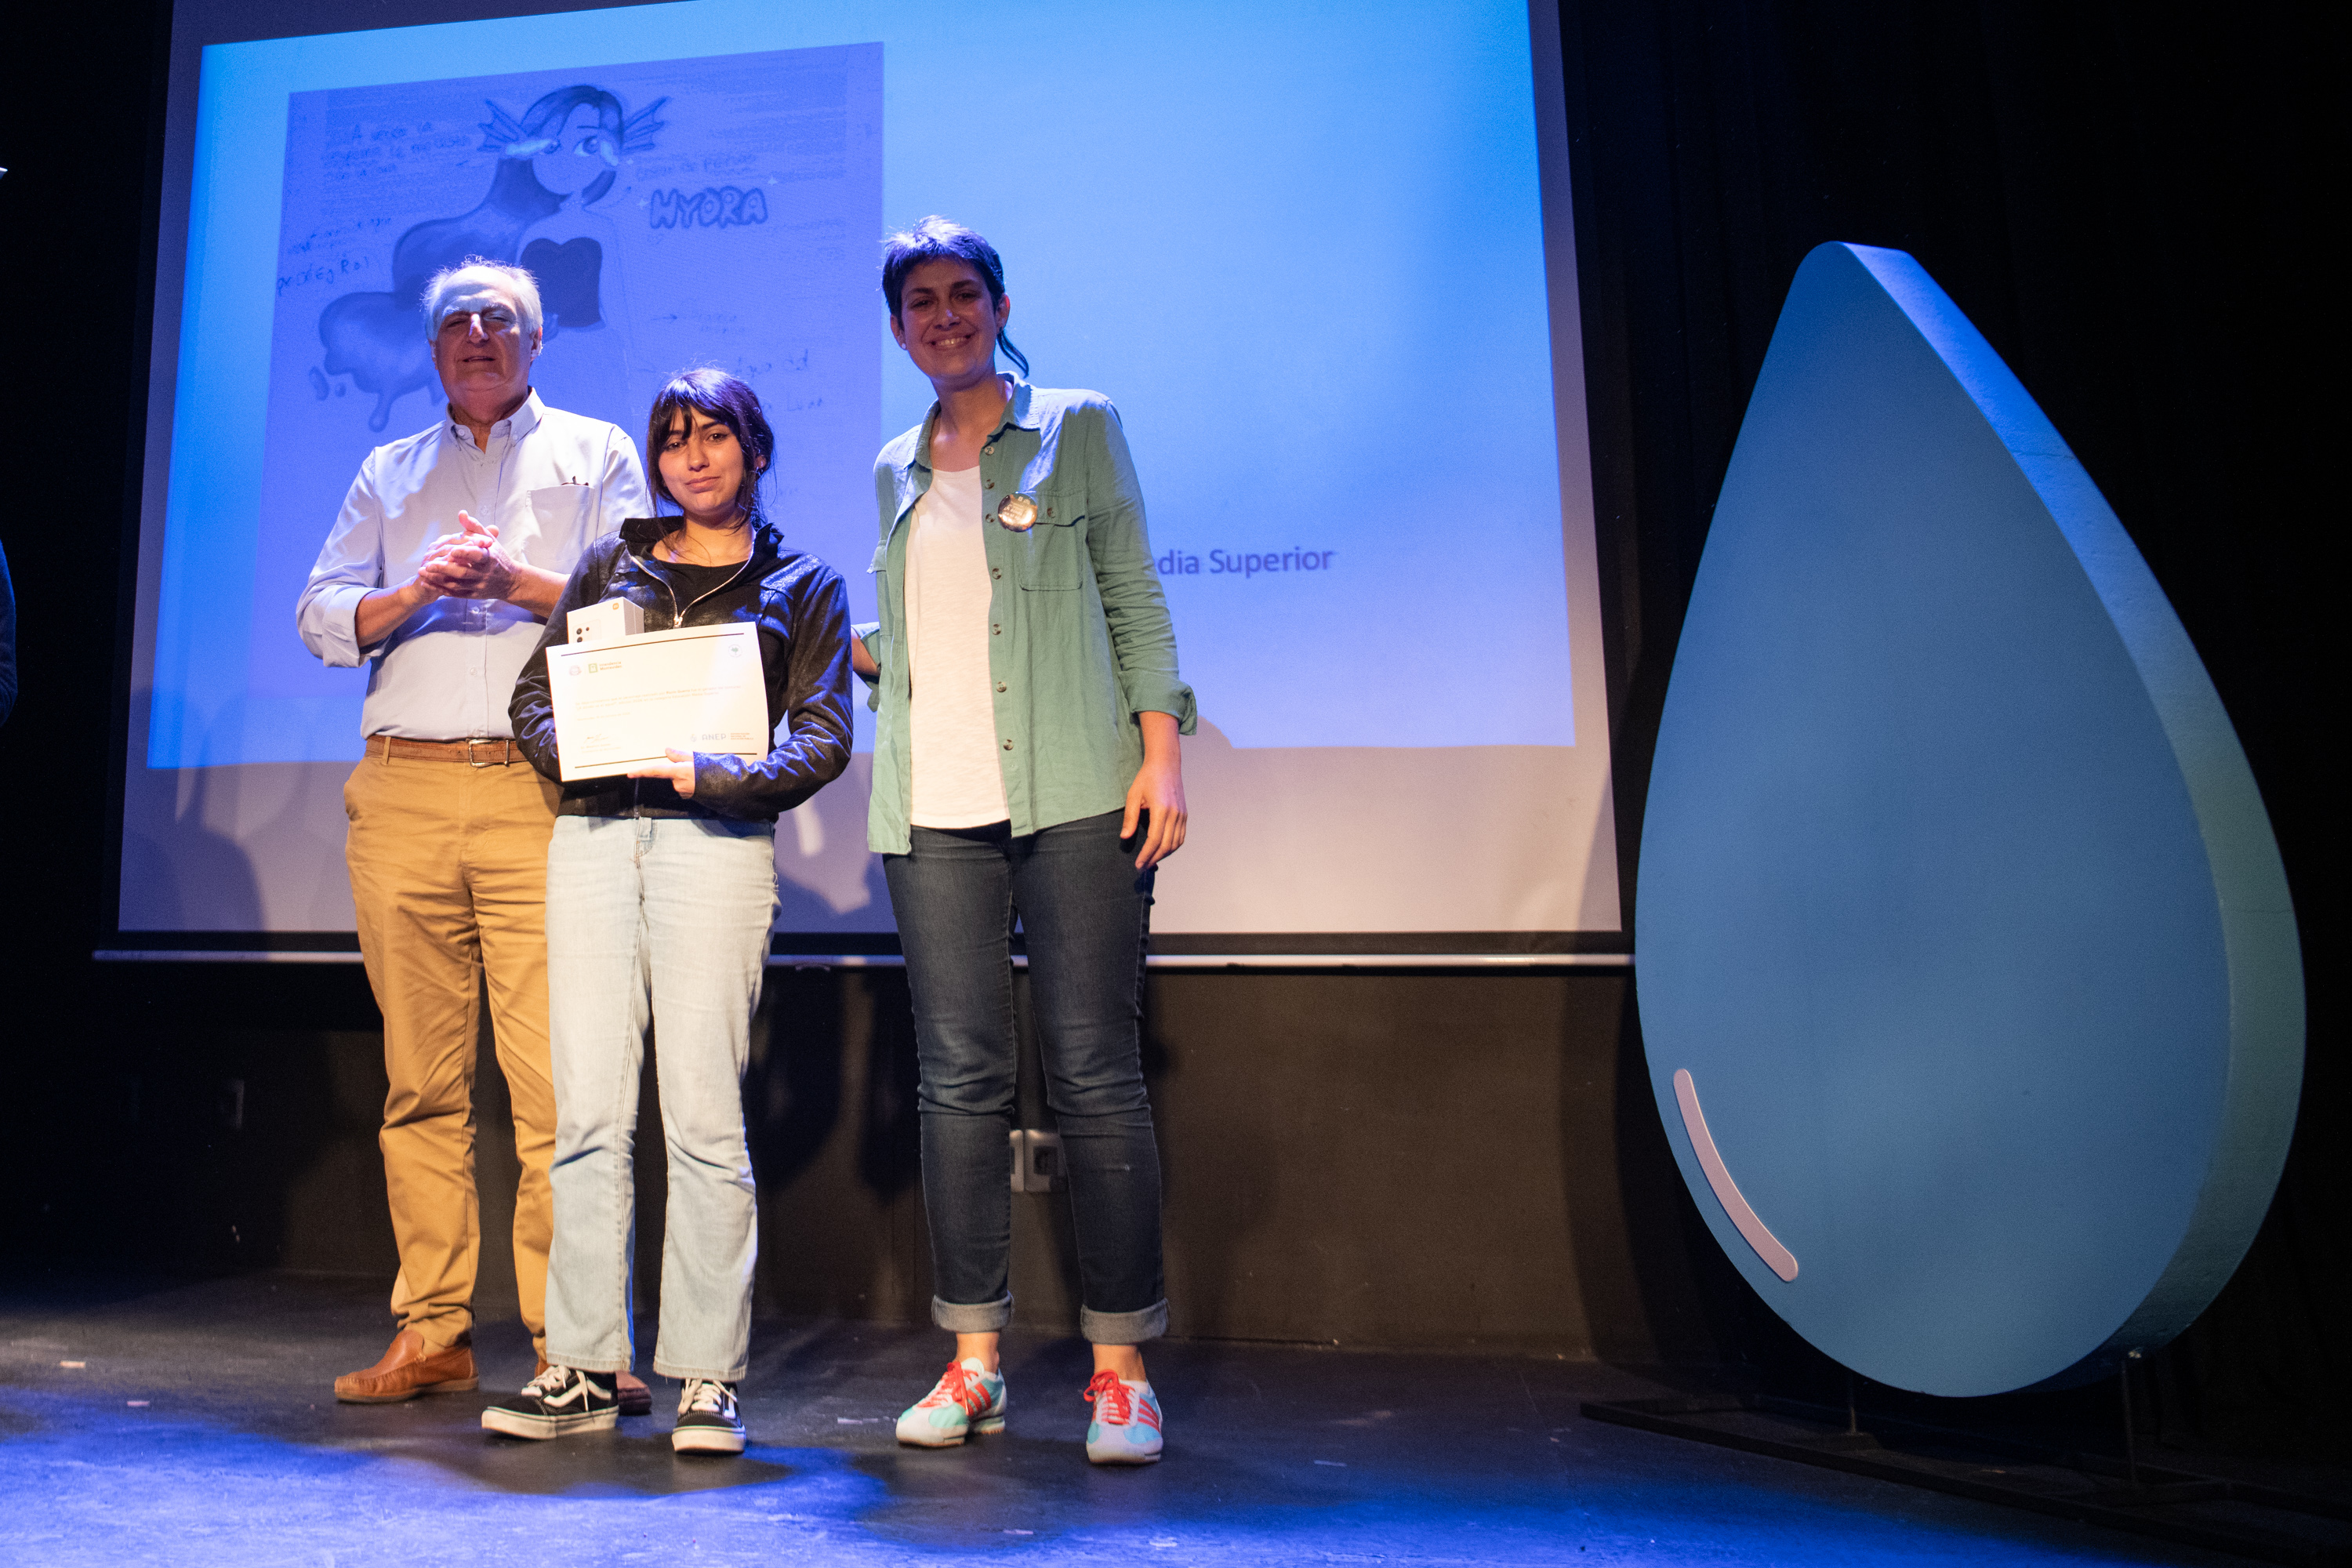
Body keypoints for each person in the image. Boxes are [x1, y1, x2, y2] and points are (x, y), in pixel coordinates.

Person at [852, 218, 1193, 1466]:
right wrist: (869, 657)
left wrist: (1162, 752)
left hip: (1077, 792)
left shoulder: (1078, 427)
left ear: (1000, 307)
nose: (944, 317)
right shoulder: (893, 467)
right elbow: (920, 627)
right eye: (920, 303)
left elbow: (1133, 594)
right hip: (933, 805)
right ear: (900, 329)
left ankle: (1120, 1374)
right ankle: (975, 1362)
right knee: (958, 1084)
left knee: (1095, 1074)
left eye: (964, 294)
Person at [295, 257, 653, 1414]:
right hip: (401, 789)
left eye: (501, 321)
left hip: (532, 788)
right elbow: (320, 615)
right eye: (457, 323)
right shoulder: (388, 471)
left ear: (537, 343)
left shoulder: (597, 452)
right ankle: (433, 1329)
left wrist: (515, 580)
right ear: (434, 350)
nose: (478, 336)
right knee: (420, 1085)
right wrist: (414, 593)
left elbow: (641, 601)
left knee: (556, 1086)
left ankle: (575, 1341)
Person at [488, 369, 853, 1454]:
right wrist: (586, 754)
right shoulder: (611, 566)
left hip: (717, 848)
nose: (693, 456)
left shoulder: (802, 582)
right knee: (588, 1118)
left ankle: (706, 1377)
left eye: (714, 437)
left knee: (702, 1120)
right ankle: (583, 1366)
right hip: (595, 842)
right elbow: (533, 698)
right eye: (674, 439)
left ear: (755, 449)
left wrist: (718, 775)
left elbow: (824, 736)